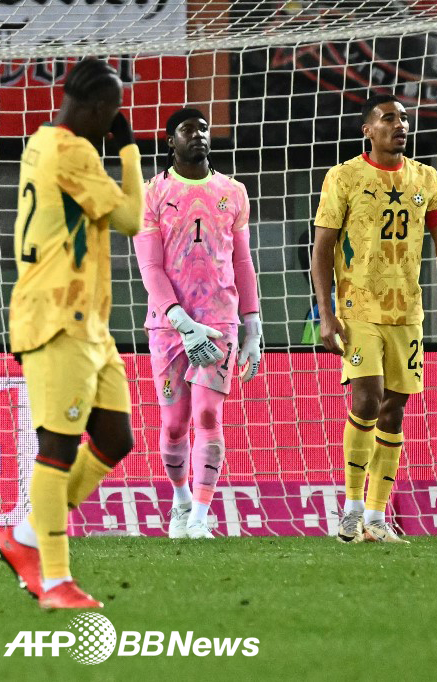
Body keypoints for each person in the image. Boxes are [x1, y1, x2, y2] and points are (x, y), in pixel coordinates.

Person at [0, 57, 144, 609]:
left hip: (89, 322)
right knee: (56, 447)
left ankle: (26, 536)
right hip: (58, 315)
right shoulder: (74, 150)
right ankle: (54, 579)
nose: (115, 119)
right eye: (114, 112)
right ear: (99, 108)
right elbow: (130, 219)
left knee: (114, 438)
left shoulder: (41, 141)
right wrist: (128, 149)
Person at [311, 93, 437, 544]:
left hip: (407, 313)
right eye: (388, 118)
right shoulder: (344, 177)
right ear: (368, 130)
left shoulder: (426, 177)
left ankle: (377, 518)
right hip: (359, 308)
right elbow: (321, 248)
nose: (399, 125)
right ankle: (352, 508)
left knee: (394, 412)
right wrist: (327, 314)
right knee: (367, 399)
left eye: (403, 118)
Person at [132, 108, 262, 540]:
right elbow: (150, 268)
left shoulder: (234, 192)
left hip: (218, 324)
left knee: (208, 416)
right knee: (174, 423)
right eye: (188, 130)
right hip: (170, 328)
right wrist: (179, 320)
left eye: (204, 128)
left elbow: (242, 261)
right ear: (171, 141)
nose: (199, 135)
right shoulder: (150, 194)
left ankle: (201, 518)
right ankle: (182, 500)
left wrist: (253, 327)